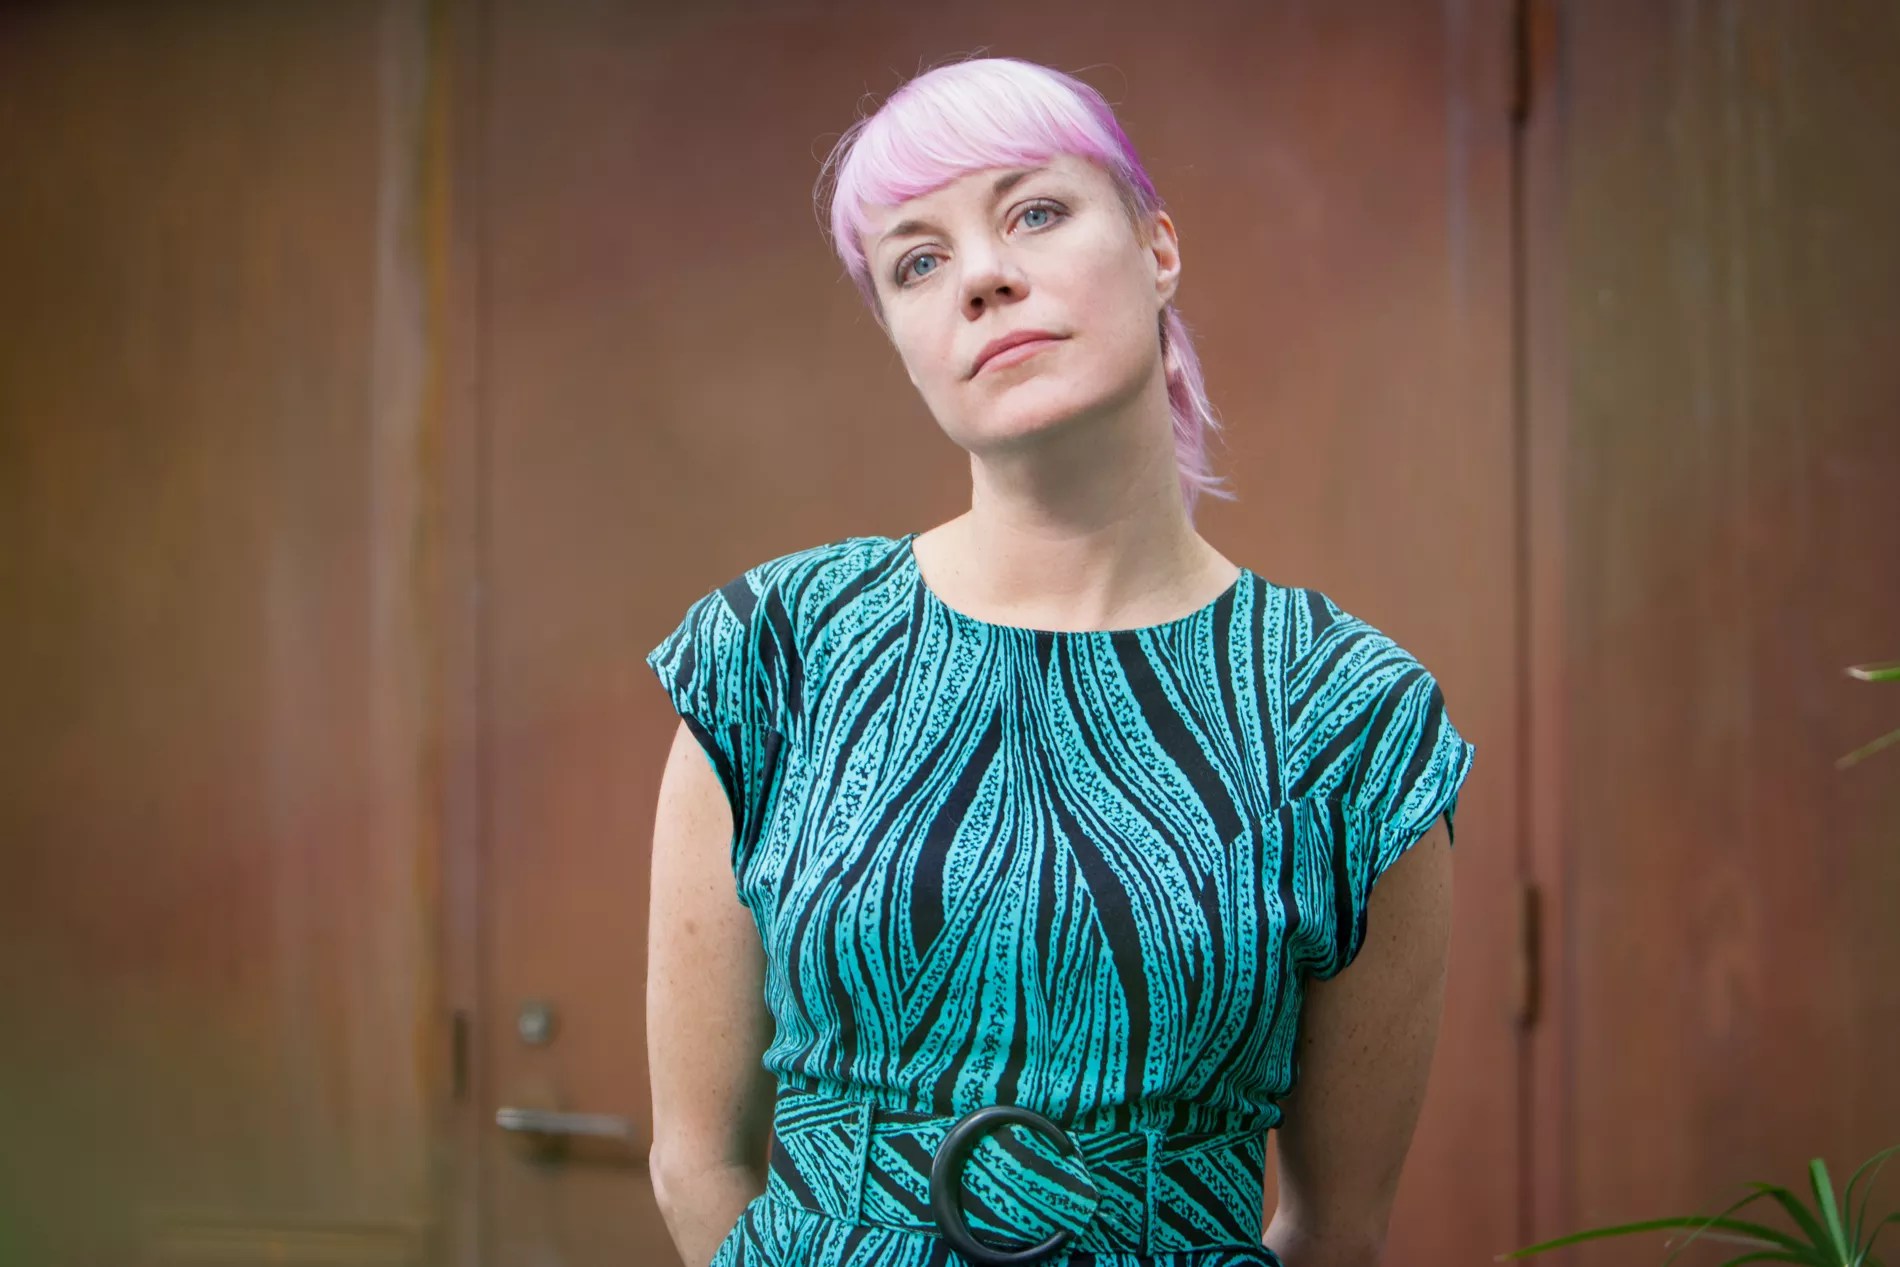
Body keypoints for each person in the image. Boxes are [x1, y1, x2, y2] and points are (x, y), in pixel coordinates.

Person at [644, 54, 1476, 1267]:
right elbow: (697, 1162)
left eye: (1034, 212)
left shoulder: (1349, 714)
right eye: (917, 262)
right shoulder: (776, 653)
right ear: (901, 339)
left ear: (1157, 248)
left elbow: (1336, 1228)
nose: (982, 276)